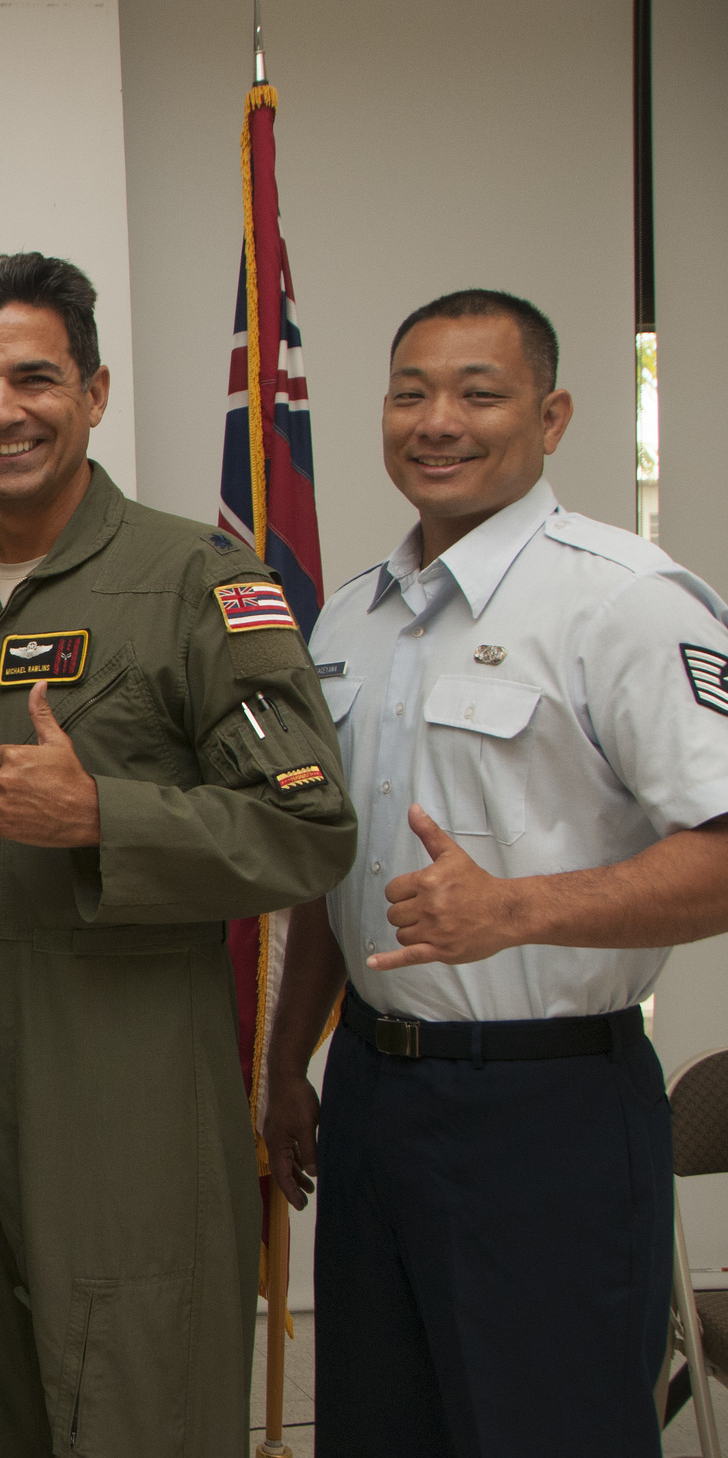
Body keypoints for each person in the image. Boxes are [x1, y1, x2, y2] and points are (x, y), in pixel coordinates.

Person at [0, 252, 357, 1455]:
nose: (0, 410)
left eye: (34, 376)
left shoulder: (197, 581)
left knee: (132, 1406)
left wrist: (104, 819)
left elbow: (307, 828)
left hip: (121, 1105)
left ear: (95, 390)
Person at [261, 289, 728, 1457]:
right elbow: (336, 861)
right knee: (378, 1430)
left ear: (552, 413)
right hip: (372, 1098)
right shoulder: (347, 623)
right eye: (410, 391)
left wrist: (513, 909)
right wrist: (283, 1061)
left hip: (546, 1111)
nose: (437, 420)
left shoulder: (619, 600)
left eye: (478, 392)